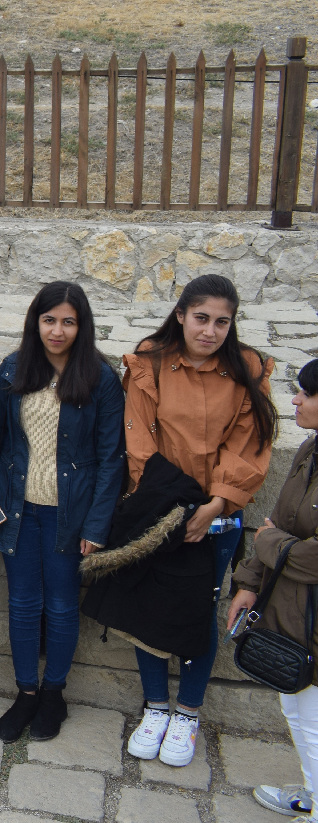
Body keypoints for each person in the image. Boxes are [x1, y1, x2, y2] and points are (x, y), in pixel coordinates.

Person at [113, 273, 275, 768]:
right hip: (159, 506)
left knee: (200, 610)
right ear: (181, 315)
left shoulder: (248, 369)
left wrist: (216, 504)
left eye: (222, 322)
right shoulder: (149, 362)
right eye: (201, 318)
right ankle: (156, 706)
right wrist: (174, 507)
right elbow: (139, 439)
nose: (210, 331)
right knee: (147, 606)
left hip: (217, 517)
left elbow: (248, 443)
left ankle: (188, 713)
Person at [0, 281, 125, 742]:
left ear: (82, 325)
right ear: (36, 321)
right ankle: (26, 692)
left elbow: (112, 457)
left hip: (69, 514)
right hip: (17, 508)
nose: (57, 330)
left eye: (68, 322)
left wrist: (96, 524)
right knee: (21, 603)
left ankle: (54, 693)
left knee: (60, 605)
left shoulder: (100, 378)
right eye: (49, 320)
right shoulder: (16, 368)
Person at [232, 360, 318, 823]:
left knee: (314, 716)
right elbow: (283, 523)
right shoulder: (310, 448)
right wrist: (248, 582)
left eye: (306, 393)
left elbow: (283, 541)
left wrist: (267, 544)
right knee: (295, 702)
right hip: (287, 605)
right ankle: (312, 793)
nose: (296, 401)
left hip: (312, 614)